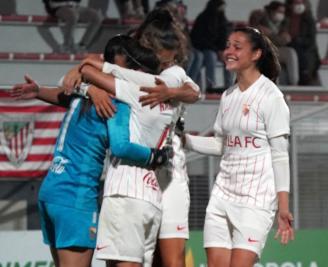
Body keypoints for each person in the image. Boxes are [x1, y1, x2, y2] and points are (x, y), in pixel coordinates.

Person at [11, 35, 171, 267]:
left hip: (51, 191)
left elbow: (65, 92)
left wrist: (39, 91)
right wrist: (155, 155)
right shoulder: (114, 101)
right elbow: (120, 146)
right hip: (76, 196)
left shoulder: (81, 91)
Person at [67, 9, 200, 266]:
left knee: (170, 260)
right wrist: (90, 85)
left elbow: (194, 93)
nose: (164, 58)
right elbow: (95, 67)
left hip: (167, 174)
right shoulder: (136, 68)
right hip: (147, 178)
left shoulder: (171, 75)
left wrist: (168, 92)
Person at [183, 27, 294, 267]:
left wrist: (283, 207)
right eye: (228, 46)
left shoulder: (271, 97)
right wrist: (184, 140)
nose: (229, 52)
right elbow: (220, 144)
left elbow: (280, 155)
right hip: (222, 195)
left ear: (256, 54)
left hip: (255, 200)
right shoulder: (228, 96)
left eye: (237, 46)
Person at [249, 1, 299, 85]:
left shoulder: (284, 22)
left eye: (283, 12)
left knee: (291, 52)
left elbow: (285, 41)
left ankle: (294, 83)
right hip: (263, 50)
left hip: (277, 49)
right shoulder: (260, 20)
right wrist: (278, 37)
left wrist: (271, 34)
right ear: (272, 11)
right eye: (279, 12)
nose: (281, 14)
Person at [189, 0, 233, 91]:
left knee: (228, 57)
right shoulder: (203, 19)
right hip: (204, 48)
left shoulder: (222, 20)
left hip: (216, 49)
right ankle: (211, 85)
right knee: (211, 57)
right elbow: (199, 40)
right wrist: (217, 50)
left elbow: (223, 37)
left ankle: (229, 86)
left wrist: (222, 49)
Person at [284, 0, 321, 85]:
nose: (299, 6)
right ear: (291, 5)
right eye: (296, 3)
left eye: (301, 3)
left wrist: (298, 40)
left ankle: (305, 77)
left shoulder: (309, 19)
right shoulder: (286, 18)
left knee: (305, 60)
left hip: (306, 49)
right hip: (289, 45)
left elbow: (311, 40)